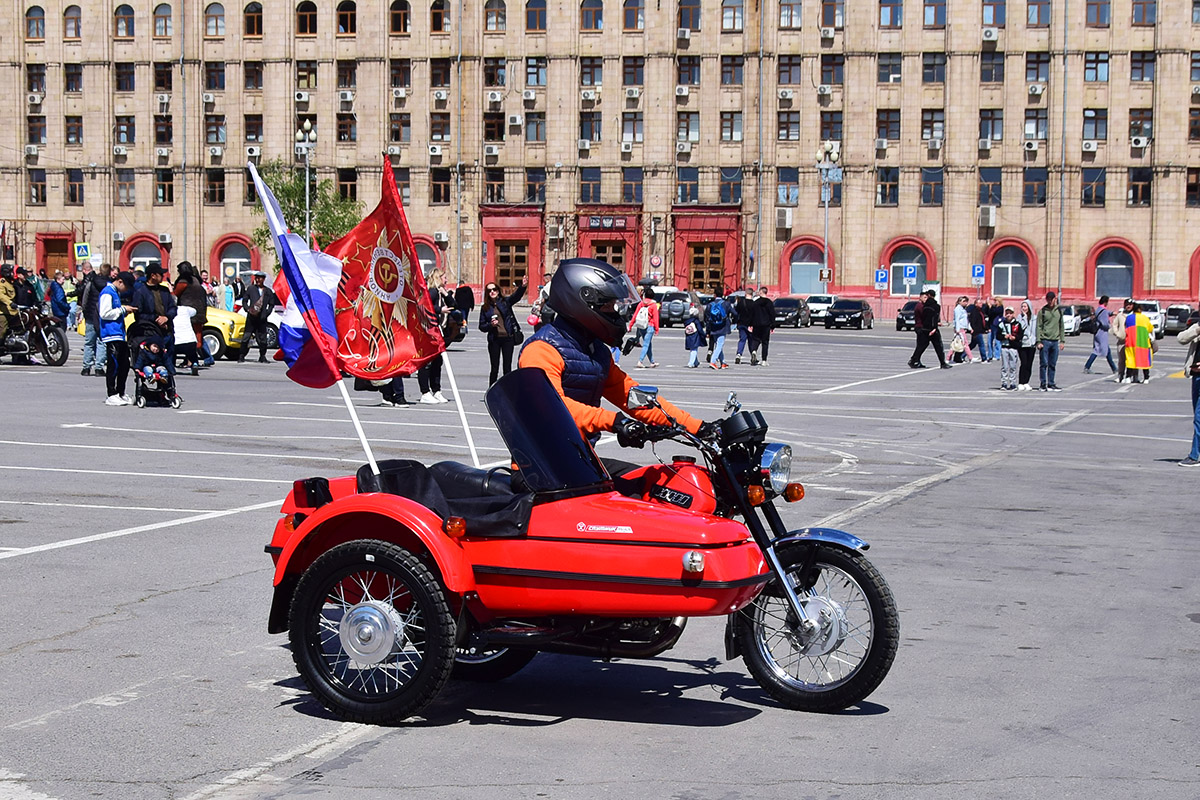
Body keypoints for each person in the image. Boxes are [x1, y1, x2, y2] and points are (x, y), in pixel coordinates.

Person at [516, 257, 712, 452]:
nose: (615, 312)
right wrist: (615, 422)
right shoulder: (542, 349)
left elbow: (631, 396)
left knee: (661, 480)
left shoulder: (595, 350)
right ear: (582, 303)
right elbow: (554, 407)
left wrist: (699, 427)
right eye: (608, 305)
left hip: (579, 461)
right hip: (542, 466)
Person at [478, 277, 527, 385]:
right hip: (494, 339)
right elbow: (481, 326)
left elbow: (516, 297)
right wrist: (490, 325)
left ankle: (508, 391)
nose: (492, 292)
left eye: (494, 289)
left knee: (507, 367)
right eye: (489, 290)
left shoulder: (505, 302)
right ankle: (491, 391)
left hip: (507, 338)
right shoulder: (485, 308)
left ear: (498, 290)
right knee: (494, 368)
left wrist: (522, 287)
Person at [131, 264, 178, 375]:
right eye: (160, 274)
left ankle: (168, 388)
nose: (162, 276)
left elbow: (173, 307)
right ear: (153, 276)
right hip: (150, 332)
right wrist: (156, 319)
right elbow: (139, 314)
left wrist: (166, 317)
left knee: (168, 365)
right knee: (152, 364)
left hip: (167, 331)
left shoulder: (164, 290)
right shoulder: (141, 292)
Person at [98, 271, 136, 406]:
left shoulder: (115, 292)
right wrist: (123, 310)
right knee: (113, 364)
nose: (127, 290)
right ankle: (111, 393)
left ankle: (121, 392)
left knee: (124, 364)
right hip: (110, 334)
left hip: (119, 333)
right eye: (126, 286)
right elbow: (104, 313)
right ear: (120, 282)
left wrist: (123, 312)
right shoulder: (107, 292)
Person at [417, 270, 449, 404]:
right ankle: (425, 392)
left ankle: (436, 390)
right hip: (429, 331)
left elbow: (453, 303)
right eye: (444, 277)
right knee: (427, 362)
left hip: (437, 329)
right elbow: (424, 306)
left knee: (437, 362)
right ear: (438, 278)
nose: (446, 280)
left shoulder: (439, 292)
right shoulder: (432, 292)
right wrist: (439, 310)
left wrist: (446, 294)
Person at [173, 262, 210, 374]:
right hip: (199, 312)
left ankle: (191, 360)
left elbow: (175, 293)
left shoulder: (183, 282)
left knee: (188, 338)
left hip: (188, 312)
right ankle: (192, 360)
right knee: (196, 337)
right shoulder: (196, 281)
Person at [238, 270, 276, 363]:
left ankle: (262, 356)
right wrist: (247, 309)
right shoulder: (251, 289)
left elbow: (271, 304)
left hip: (262, 319)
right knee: (246, 337)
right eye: (256, 278)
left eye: (260, 278)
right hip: (251, 318)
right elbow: (245, 300)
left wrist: (266, 313)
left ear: (263, 279)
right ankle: (241, 355)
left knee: (263, 339)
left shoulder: (268, 291)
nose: (258, 280)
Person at [79, 264, 110, 377]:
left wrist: (85, 311)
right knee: (102, 342)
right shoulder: (109, 284)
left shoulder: (91, 282)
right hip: (103, 316)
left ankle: (86, 368)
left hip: (91, 316)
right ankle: (99, 368)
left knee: (89, 343)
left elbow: (85, 298)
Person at [1178, 318, 1200, 466]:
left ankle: (1194, 455)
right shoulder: (1197, 327)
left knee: (1199, 418)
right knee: (1197, 415)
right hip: (1196, 376)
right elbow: (1181, 338)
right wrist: (1197, 330)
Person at [910, 289, 950, 369]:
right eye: (924, 297)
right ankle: (942, 363)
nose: (925, 299)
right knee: (938, 346)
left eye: (926, 297)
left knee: (922, 346)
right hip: (928, 329)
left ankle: (914, 360)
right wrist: (934, 327)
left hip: (924, 328)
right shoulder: (932, 306)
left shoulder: (924, 306)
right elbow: (933, 318)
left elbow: (926, 318)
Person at [695, 285, 731, 369]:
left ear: (714, 295)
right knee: (719, 345)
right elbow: (735, 313)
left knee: (718, 344)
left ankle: (723, 362)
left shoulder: (710, 305)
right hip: (723, 327)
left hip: (713, 327)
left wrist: (708, 330)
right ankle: (713, 361)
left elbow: (706, 319)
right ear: (722, 294)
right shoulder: (726, 304)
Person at [1037, 291, 1065, 391]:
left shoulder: (1059, 311)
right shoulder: (1043, 311)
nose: (1049, 301)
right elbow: (1039, 326)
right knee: (1044, 363)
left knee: (1052, 364)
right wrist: (1038, 341)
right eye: (1048, 299)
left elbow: (1061, 326)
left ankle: (1051, 383)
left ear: (1055, 299)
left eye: (1051, 299)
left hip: (1055, 341)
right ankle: (1043, 383)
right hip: (1045, 340)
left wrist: (1062, 341)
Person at [1123, 301, 1154, 384]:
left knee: (1130, 360)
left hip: (1131, 342)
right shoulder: (1145, 318)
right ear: (1140, 309)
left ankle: (1128, 377)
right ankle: (1146, 378)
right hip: (1143, 343)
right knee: (1144, 360)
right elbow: (1150, 329)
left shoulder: (1129, 318)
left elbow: (1125, 327)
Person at [1083, 295, 1116, 374]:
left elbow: (1105, 313)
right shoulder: (1103, 311)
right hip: (1102, 333)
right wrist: (1109, 326)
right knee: (1098, 350)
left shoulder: (1099, 309)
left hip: (1097, 332)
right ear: (1105, 302)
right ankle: (1087, 366)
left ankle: (1114, 368)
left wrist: (1111, 313)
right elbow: (1105, 323)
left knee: (1104, 350)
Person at [629, 285, 659, 368]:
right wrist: (656, 329)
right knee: (646, 344)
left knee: (648, 344)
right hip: (650, 326)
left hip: (641, 326)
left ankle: (652, 362)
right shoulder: (653, 305)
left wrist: (630, 325)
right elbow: (656, 318)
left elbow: (635, 315)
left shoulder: (641, 304)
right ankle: (640, 361)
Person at [748, 287, 774, 366]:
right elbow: (772, 314)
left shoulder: (756, 303)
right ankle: (764, 360)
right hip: (766, 325)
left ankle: (754, 351)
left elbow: (752, 314)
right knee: (765, 342)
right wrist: (772, 326)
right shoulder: (769, 303)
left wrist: (751, 324)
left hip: (757, 324)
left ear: (761, 292)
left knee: (756, 339)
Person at [998, 307, 1021, 390]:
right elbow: (998, 336)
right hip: (1004, 347)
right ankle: (1004, 383)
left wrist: (1015, 338)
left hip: (1013, 348)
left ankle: (1013, 383)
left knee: (1013, 366)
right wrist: (1004, 336)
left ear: (1013, 314)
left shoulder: (1017, 324)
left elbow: (1020, 335)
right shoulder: (1001, 324)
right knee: (1004, 366)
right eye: (1007, 313)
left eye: (1010, 313)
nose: (1008, 315)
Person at [1016, 299, 1037, 390]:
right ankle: (1021, 382)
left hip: (1031, 344)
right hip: (1023, 344)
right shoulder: (1019, 318)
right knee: (1023, 363)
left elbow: (1036, 330)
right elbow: (1022, 328)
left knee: (1029, 363)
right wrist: (1024, 318)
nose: (1024, 308)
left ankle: (1026, 382)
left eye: (1025, 306)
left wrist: (1036, 340)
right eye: (1022, 307)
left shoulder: (1034, 318)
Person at [734, 285, 754, 364]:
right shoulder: (754, 304)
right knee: (751, 340)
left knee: (742, 340)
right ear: (752, 294)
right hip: (751, 325)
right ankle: (753, 353)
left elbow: (736, 312)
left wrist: (736, 321)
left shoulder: (741, 302)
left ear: (746, 293)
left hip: (741, 323)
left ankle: (739, 354)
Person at [1111, 300, 1129, 383]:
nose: (1128, 306)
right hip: (1122, 341)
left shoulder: (1135, 315)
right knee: (1121, 360)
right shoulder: (1120, 315)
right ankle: (1120, 375)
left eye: (1130, 305)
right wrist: (1117, 334)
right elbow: (1115, 325)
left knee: (1131, 360)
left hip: (1132, 341)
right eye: (1127, 304)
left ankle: (1132, 376)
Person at [953, 296, 975, 363]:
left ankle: (951, 358)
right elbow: (957, 319)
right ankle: (971, 357)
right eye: (964, 301)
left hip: (963, 328)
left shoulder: (963, 309)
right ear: (959, 302)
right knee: (964, 344)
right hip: (960, 329)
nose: (965, 303)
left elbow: (966, 320)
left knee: (957, 344)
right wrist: (957, 329)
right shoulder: (958, 309)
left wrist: (969, 328)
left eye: (966, 301)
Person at [0, 266, 16, 344]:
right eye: (11, 272)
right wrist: (10, 303)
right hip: (3, 311)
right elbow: (1, 295)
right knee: (3, 329)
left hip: (13, 311)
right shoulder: (2, 282)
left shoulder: (11, 282)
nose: (13, 274)